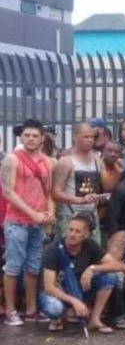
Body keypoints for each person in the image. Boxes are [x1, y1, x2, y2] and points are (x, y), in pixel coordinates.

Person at [2, 119, 55, 325]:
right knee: (13, 265)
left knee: (33, 266)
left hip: (38, 221)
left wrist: (49, 212)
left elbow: (49, 192)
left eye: (35, 135)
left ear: (42, 138)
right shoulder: (12, 159)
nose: (31, 139)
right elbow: (8, 192)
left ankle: (32, 309)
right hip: (17, 220)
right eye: (27, 135)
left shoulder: (47, 162)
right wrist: (32, 213)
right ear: (21, 137)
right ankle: (11, 310)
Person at [40, 212, 122, 333]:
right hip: (59, 291)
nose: (72, 234)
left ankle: (95, 319)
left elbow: (116, 265)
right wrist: (74, 301)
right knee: (54, 308)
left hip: (80, 289)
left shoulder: (90, 245)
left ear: (86, 235)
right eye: (71, 230)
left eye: (77, 231)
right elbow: (48, 287)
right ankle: (58, 318)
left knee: (110, 276)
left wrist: (92, 269)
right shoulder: (53, 249)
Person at [52, 122, 112, 244]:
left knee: (93, 254)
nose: (90, 140)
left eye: (92, 137)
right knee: (68, 254)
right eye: (86, 137)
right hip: (70, 215)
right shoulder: (66, 161)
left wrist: (117, 172)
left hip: (90, 216)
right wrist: (81, 200)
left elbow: (108, 186)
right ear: (75, 137)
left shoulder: (97, 160)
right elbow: (56, 193)